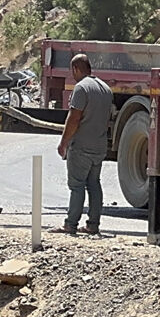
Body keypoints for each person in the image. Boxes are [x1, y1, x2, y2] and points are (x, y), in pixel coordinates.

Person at [53, 54, 113, 235]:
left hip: (81, 147)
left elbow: (74, 118)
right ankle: (93, 225)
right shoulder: (106, 88)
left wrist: (63, 142)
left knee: (77, 185)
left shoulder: (81, 88)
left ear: (75, 69)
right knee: (94, 184)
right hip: (99, 146)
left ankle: (70, 224)